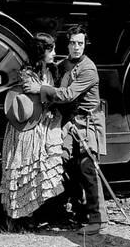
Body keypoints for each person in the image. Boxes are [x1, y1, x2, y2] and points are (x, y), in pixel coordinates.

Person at [23, 25, 108, 235]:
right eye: (72, 43)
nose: (76, 47)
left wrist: (41, 89)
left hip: (88, 123)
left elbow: (68, 94)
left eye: (80, 43)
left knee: (88, 168)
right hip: (71, 122)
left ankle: (98, 220)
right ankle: (79, 212)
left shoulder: (88, 69)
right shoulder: (64, 64)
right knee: (65, 163)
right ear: (67, 44)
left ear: (85, 44)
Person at [0, 33, 65, 225]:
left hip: (43, 124)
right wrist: (49, 93)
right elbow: (40, 95)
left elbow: (47, 93)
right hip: (28, 128)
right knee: (24, 170)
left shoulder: (49, 71)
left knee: (39, 170)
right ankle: (20, 217)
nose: (54, 53)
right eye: (50, 50)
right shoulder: (28, 74)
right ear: (40, 52)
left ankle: (37, 213)